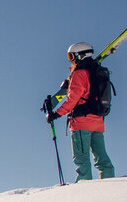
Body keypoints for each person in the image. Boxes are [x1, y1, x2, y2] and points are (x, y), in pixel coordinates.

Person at [46, 42, 115, 181]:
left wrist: (56, 114)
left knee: (81, 160)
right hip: (98, 122)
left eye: (71, 56)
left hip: (81, 123)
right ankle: (108, 185)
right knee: (102, 159)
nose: (71, 59)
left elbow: (72, 99)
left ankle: (84, 191)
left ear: (79, 55)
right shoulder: (96, 71)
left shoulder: (79, 73)